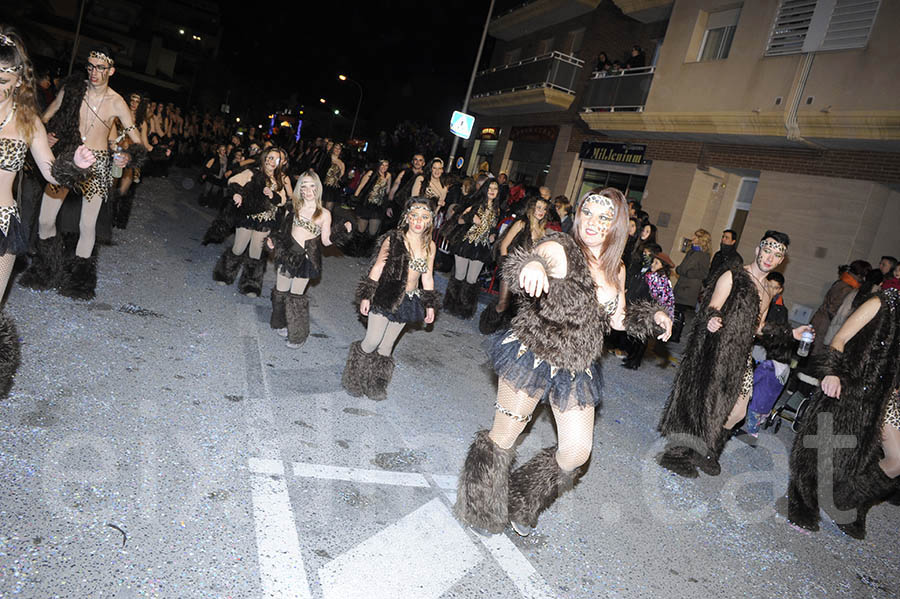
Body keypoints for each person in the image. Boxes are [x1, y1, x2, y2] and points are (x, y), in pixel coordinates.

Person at [454, 188, 672, 537]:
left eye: (605, 218)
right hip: (532, 355)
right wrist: (534, 267)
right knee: (505, 435)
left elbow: (619, 321)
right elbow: (531, 257)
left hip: (577, 368)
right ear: (579, 214)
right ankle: (479, 504)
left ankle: (522, 499)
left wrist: (655, 315)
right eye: (588, 212)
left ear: (617, 226)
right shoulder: (560, 246)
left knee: (576, 452)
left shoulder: (616, 267)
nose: (594, 223)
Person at [657, 231, 812, 478]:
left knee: (739, 410)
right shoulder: (734, 275)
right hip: (716, 349)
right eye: (767, 250)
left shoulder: (767, 291)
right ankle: (678, 453)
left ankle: (708, 449)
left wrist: (790, 334)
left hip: (741, 356)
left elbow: (759, 327)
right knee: (703, 404)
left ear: (781, 260)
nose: (770, 258)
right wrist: (713, 320)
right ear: (758, 250)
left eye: (777, 254)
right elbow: (713, 306)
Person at [0, 27, 95, 397]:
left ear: (18, 79)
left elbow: (53, 176)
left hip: (2, 223)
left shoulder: (28, 123)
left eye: (4, 79)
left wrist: (75, 163)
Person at [19, 45, 146, 300]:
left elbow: (137, 141)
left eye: (100, 67)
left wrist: (128, 155)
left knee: (87, 225)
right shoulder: (74, 89)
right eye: (90, 66)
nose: (94, 72)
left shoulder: (117, 102)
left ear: (111, 70)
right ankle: (47, 269)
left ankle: (79, 281)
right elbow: (46, 116)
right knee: (45, 219)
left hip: (98, 164)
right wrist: (46, 136)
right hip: (69, 158)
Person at [787, 289, 900, 539]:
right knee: (820, 450)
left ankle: (848, 500)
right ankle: (802, 503)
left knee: (881, 458)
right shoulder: (881, 303)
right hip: (849, 385)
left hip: (882, 400)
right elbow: (840, 338)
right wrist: (833, 372)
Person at [342, 196, 441, 401]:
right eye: (414, 216)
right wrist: (366, 296)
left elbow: (428, 276)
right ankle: (353, 375)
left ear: (430, 220)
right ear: (407, 218)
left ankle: (375, 383)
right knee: (372, 340)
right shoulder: (394, 238)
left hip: (408, 301)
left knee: (386, 346)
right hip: (385, 295)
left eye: (423, 217)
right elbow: (378, 266)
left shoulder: (430, 246)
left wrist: (429, 306)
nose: (418, 221)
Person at [266, 171, 351, 348]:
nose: (308, 190)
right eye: (303, 186)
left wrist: (343, 229)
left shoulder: (324, 214)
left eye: (312, 185)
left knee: (296, 297)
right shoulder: (294, 206)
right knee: (281, 292)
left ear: (318, 188)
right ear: (300, 189)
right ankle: (279, 322)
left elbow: (327, 241)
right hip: (287, 254)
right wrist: (273, 241)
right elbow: (283, 230)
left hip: (306, 259)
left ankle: (297, 334)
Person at [212, 147, 289, 297]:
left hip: (266, 221)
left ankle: (251, 284)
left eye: (277, 159)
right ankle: (224, 274)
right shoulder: (252, 173)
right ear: (265, 158)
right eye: (271, 158)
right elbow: (233, 181)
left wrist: (272, 194)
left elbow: (282, 200)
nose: (273, 162)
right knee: (239, 248)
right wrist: (237, 194)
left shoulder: (279, 180)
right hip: (248, 217)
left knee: (256, 252)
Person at [479, 196, 549, 334]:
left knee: (516, 305)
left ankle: (504, 330)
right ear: (532, 207)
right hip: (511, 267)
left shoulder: (542, 231)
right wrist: (506, 266)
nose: (541, 211)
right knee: (503, 303)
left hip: (527, 272)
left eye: (544, 209)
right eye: (539, 207)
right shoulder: (522, 223)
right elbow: (504, 244)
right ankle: (487, 322)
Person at [445, 178, 499, 319]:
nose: (492, 191)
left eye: (495, 189)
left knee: (472, 279)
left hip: (482, 247)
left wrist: (493, 234)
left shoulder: (496, 209)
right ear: (485, 189)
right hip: (466, 243)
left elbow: (492, 227)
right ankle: (451, 305)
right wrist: (470, 218)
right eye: (490, 188)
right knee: (460, 275)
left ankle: (466, 309)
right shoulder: (475, 204)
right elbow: (459, 220)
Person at [622, 249, 675, 369]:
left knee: (641, 337)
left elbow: (661, 299)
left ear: (663, 266)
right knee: (638, 335)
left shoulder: (658, 279)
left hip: (649, 310)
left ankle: (634, 360)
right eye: (653, 262)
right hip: (644, 307)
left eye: (656, 263)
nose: (652, 265)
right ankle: (632, 358)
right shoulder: (653, 276)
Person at [809, 260, 870, 355]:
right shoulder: (848, 287)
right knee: (816, 353)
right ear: (860, 274)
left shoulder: (842, 281)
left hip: (820, 318)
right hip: (826, 324)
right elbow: (834, 309)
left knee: (809, 349)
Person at [350, 159, 392, 255]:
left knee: (373, 232)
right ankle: (356, 249)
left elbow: (388, 191)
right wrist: (355, 199)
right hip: (366, 204)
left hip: (377, 207)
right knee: (361, 229)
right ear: (378, 165)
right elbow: (361, 186)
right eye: (382, 165)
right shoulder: (371, 173)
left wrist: (388, 203)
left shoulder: (388, 176)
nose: (384, 167)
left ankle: (367, 251)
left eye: (386, 166)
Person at [672, 229, 711, 312]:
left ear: (701, 239)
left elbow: (704, 273)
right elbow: (684, 266)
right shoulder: (691, 251)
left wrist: (688, 273)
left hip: (689, 290)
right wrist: (679, 269)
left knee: (681, 311)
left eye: (696, 236)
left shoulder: (704, 255)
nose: (692, 238)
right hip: (680, 286)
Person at [321, 142, 344, 212]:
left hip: (333, 188)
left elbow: (341, 176)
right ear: (333, 149)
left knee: (329, 208)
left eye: (339, 149)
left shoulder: (342, 163)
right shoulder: (327, 158)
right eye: (336, 148)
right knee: (320, 206)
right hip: (323, 185)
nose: (337, 150)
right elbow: (321, 170)